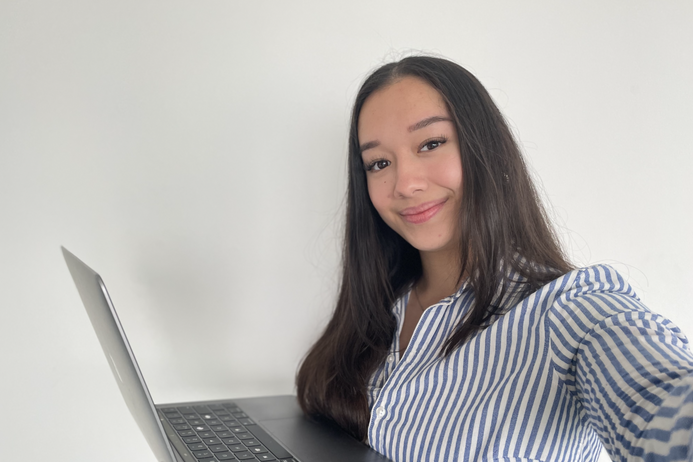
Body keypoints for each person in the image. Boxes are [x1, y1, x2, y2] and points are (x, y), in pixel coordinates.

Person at [295, 56, 693, 461]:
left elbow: (659, 396)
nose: (405, 184)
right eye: (379, 163)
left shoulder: (571, 309)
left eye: (431, 144)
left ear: (487, 149)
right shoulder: (377, 310)